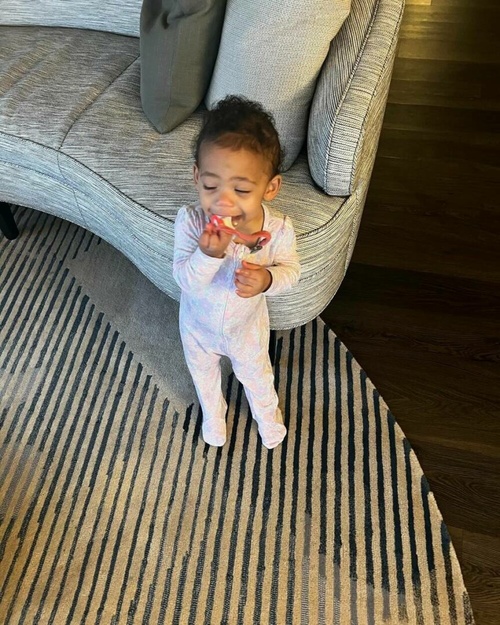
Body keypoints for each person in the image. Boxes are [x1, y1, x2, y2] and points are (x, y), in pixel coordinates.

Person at [173, 95, 301, 449]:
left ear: (270, 188)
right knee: (203, 376)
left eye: (241, 189)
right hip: (197, 328)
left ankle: (267, 415)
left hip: (246, 329)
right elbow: (185, 281)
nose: (223, 201)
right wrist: (207, 255)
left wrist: (267, 279)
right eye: (210, 186)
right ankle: (214, 414)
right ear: (197, 176)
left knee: (257, 376)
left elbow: (291, 270)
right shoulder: (191, 222)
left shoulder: (278, 230)